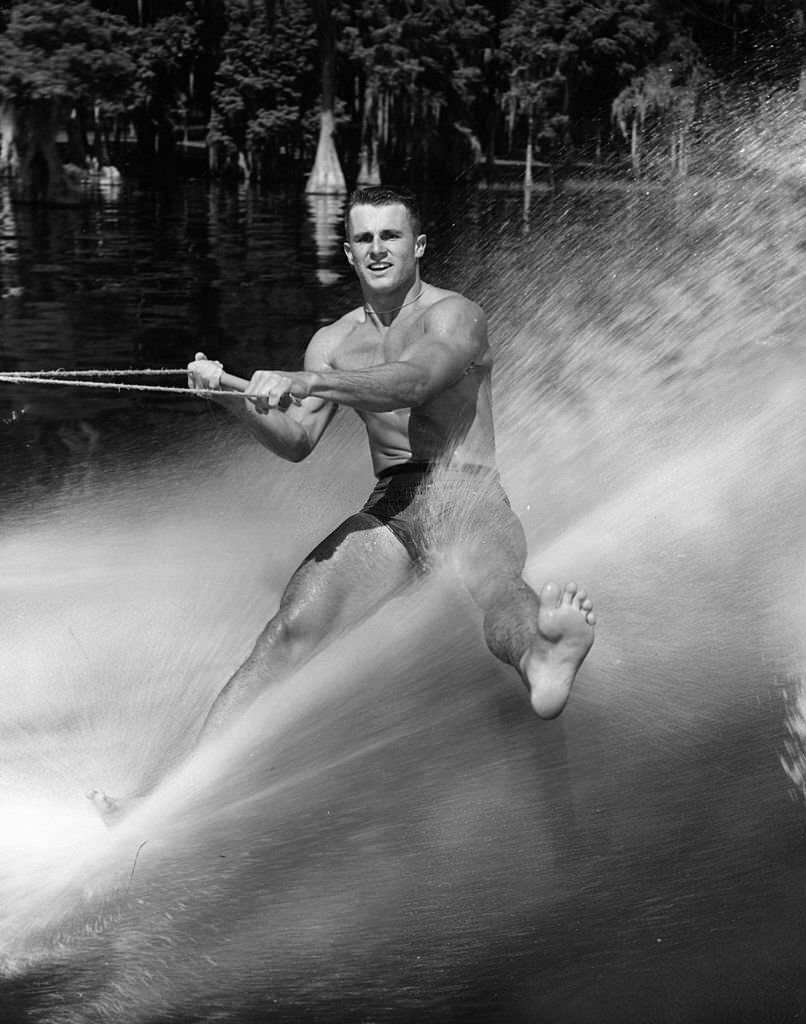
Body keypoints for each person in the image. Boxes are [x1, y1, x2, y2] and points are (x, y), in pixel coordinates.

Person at [89, 185, 594, 819]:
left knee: (495, 582)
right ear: (349, 254)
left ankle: (540, 656)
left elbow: (415, 381)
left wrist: (308, 381)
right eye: (364, 238)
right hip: (392, 504)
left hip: (464, 487)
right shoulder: (331, 342)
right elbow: (297, 439)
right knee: (288, 631)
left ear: (418, 245)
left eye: (390, 235)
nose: (378, 248)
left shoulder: (455, 316)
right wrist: (229, 399)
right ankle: (174, 799)